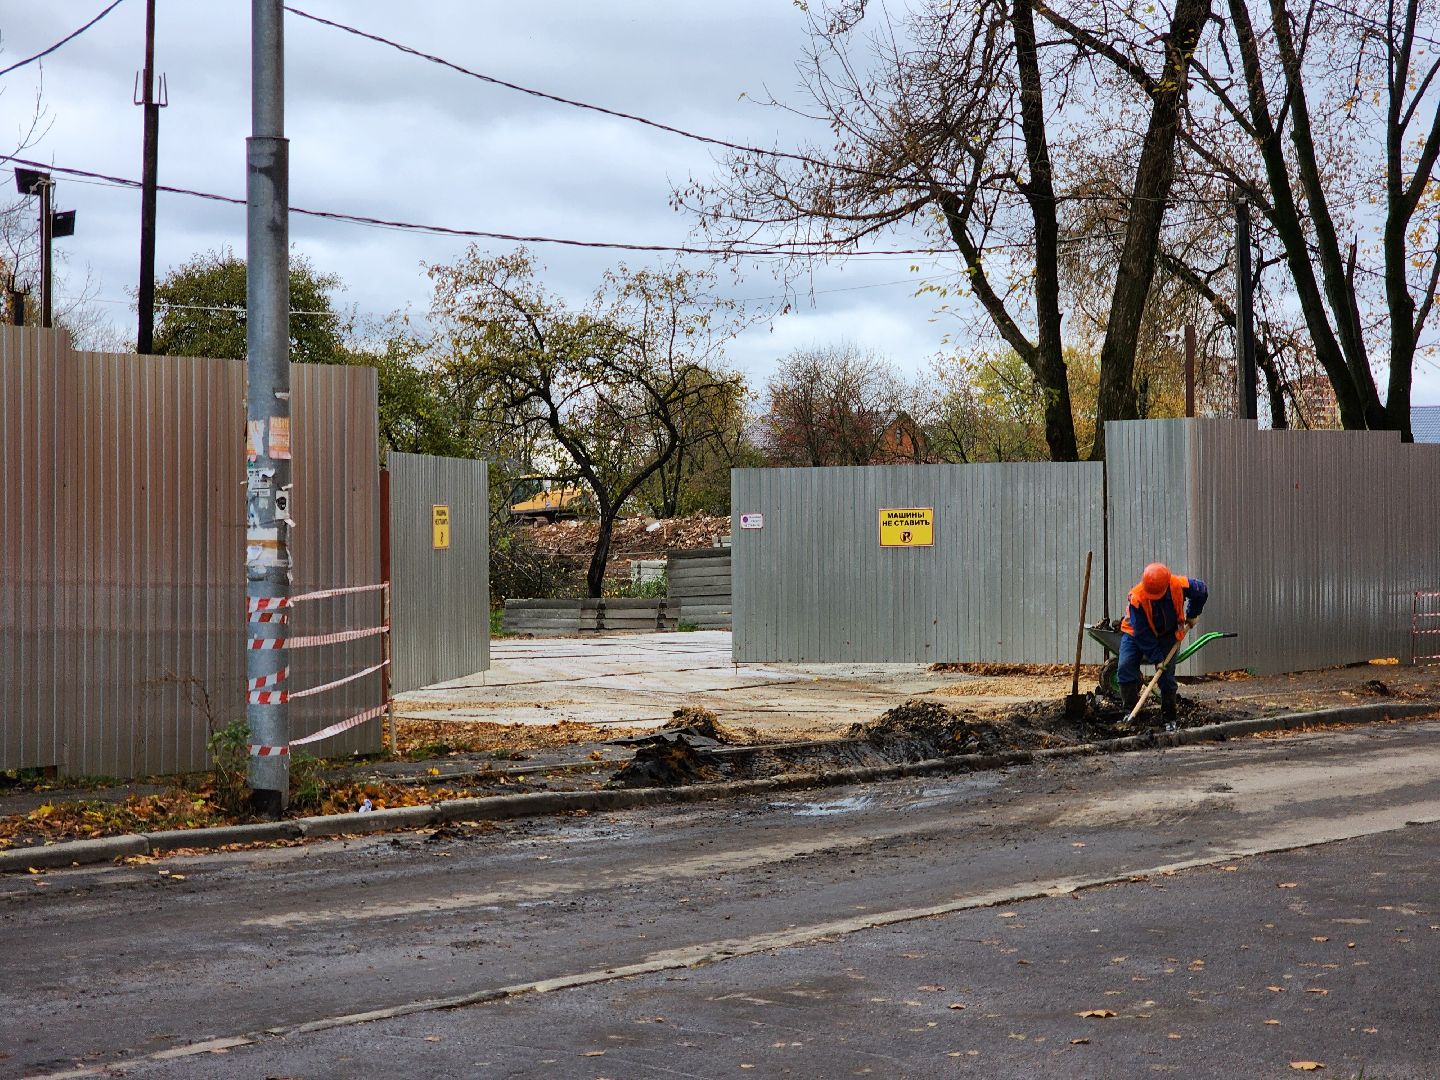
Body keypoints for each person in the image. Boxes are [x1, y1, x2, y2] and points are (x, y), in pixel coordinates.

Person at [1119, 562, 1208, 727]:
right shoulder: (1137, 598)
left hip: (1168, 634)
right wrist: (1157, 658)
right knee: (1125, 667)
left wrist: (1193, 614)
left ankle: (1169, 718)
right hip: (1135, 633)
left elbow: (1201, 590)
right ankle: (1129, 711)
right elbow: (1142, 632)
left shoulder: (1179, 584)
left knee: (1167, 678)